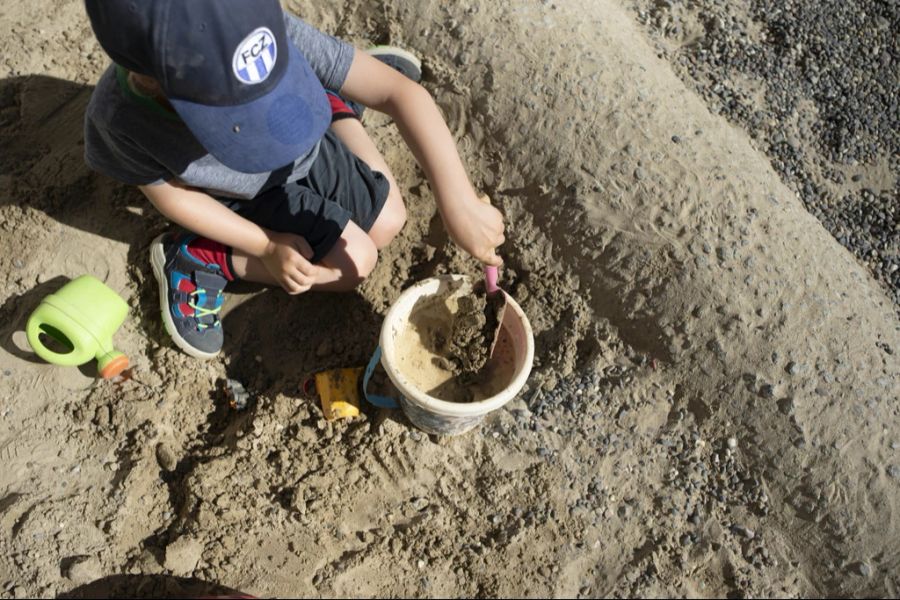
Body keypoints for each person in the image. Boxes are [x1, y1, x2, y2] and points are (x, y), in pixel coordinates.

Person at [82, 0, 504, 359]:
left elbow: (399, 93)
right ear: (147, 81)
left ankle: (334, 94)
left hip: (306, 144)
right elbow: (171, 196)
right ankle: (198, 259)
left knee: (389, 219)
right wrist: (265, 245)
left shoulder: (253, 35)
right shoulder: (121, 120)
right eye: (236, 115)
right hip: (244, 195)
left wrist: (459, 201)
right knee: (354, 265)